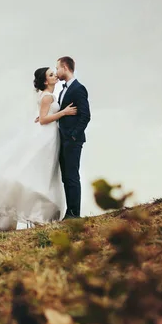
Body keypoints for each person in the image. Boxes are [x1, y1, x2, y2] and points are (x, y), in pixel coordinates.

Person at [0, 67, 77, 232]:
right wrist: (64, 112)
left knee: (42, 172)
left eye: (54, 73)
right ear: (45, 81)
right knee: (40, 172)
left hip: (49, 135)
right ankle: (38, 213)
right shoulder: (47, 96)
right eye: (51, 75)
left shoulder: (47, 96)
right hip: (46, 136)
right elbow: (42, 119)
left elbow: (42, 116)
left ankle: (37, 213)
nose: (55, 76)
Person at [56, 56, 91, 220]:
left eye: (57, 68)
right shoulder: (63, 90)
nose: (56, 72)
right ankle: (69, 212)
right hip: (62, 140)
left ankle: (74, 214)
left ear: (65, 67)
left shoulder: (78, 89)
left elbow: (86, 115)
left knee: (72, 176)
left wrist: (73, 135)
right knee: (66, 177)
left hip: (72, 140)